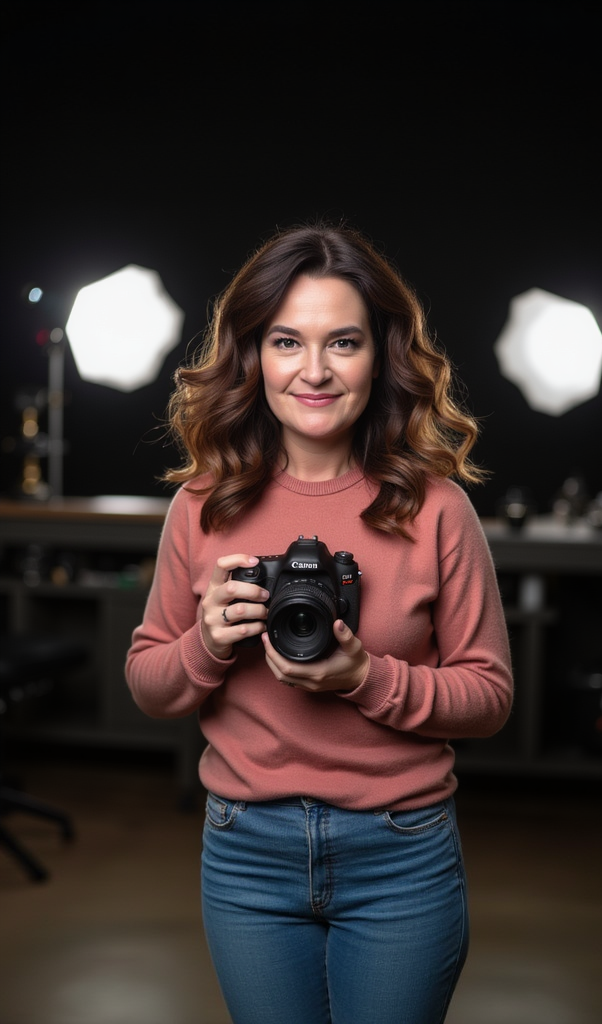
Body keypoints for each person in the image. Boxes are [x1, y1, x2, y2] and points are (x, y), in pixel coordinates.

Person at [125, 222, 513, 1024]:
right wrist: (207, 643)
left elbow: (490, 696)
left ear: (382, 356)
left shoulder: (437, 508)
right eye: (285, 342)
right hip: (244, 854)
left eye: (343, 342)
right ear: (252, 355)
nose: (314, 371)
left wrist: (365, 677)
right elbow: (148, 684)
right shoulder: (203, 504)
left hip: (400, 852)